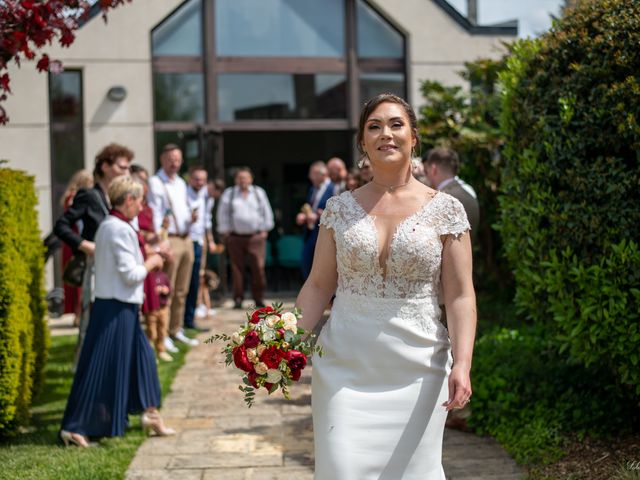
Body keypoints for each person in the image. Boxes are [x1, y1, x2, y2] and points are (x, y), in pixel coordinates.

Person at [296, 93, 476, 479]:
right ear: (362, 142)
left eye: (396, 124)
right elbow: (317, 286)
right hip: (344, 366)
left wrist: (462, 363)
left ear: (414, 137)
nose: (385, 134)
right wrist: (284, 344)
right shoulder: (339, 209)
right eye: (374, 126)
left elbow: (461, 295)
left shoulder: (447, 210)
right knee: (342, 471)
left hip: (419, 368)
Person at [59, 176, 174, 447]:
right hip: (116, 308)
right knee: (100, 370)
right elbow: (130, 274)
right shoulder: (118, 229)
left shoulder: (112, 226)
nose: (142, 206)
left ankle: (150, 414)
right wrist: (154, 261)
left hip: (119, 306)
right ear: (129, 200)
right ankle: (75, 427)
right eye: (140, 201)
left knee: (144, 358)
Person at [54, 143, 133, 367]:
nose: (127, 172)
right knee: (91, 323)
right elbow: (61, 225)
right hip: (96, 269)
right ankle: (86, 372)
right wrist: (84, 245)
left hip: (117, 270)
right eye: (122, 167)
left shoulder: (119, 198)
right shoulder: (89, 195)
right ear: (106, 167)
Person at [148, 144, 198, 349]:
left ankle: (176, 329)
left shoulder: (180, 182)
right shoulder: (155, 182)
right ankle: (163, 332)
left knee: (182, 288)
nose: (174, 163)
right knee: (166, 288)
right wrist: (161, 240)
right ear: (162, 159)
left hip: (186, 237)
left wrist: (191, 219)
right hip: (170, 239)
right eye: (170, 159)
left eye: (177, 159)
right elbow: (156, 211)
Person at [130, 166, 174, 362]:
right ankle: (145, 346)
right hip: (142, 256)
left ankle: (160, 344)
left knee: (158, 303)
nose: (144, 185)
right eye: (140, 180)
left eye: (145, 181)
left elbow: (153, 233)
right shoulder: (133, 206)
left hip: (153, 255)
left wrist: (162, 234)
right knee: (146, 306)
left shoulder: (147, 206)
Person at [216, 167, 274, 309]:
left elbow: (266, 211)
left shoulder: (258, 193)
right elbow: (222, 214)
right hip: (235, 237)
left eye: (245, 177)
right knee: (236, 269)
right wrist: (225, 231)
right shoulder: (229, 194)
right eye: (240, 178)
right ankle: (238, 298)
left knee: (258, 269)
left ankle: (259, 298)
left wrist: (266, 229)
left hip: (256, 236)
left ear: (251, 179)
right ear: (236, 180)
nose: (243, 180)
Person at [59, 169, 94, 324]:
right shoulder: (76, 198)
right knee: (79, 275)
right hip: (77, 242)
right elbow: (79, 222)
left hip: (71, 242)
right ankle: (79, 314)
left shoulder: (70, 197)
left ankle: (78, 314)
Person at [184, 165, 215, 330]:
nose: (200, 182)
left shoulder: (205, 195)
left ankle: (189, 319)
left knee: (196, 280)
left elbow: (207, 218)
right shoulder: (183, 193)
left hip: (199, 240)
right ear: (190, 179)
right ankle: (181, 321)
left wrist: (209, 239)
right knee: (184, 282)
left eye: (203, 179)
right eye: (197, 179)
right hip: (187, 238)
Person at [423, 147, 480, 236]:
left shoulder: (441, 199)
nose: (426, 176)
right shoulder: (469, 190)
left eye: (426, 171)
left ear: (434, 169)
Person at [296, 161, 334, 279]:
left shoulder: (333, 188)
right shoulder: (313, 189)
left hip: (325, 232)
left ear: (322, 174)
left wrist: (320, 215)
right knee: (306, 263)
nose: (310, 177)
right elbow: (310, 207)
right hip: (311, 232)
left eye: (312, 174)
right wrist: (303, 215)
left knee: (324, 268)